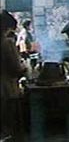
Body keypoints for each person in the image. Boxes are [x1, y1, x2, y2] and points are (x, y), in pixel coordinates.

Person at [1, 10, 26, 141]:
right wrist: (24, 67)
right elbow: (17, 69)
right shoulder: (7, 43)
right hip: (8, 90)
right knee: (10, 128)